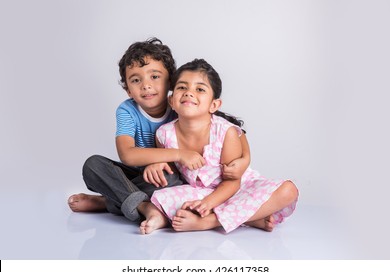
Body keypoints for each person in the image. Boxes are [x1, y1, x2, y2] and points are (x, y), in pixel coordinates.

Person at [67, 38, 251, 223]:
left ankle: (109, 200)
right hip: (138, 175)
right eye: (136, 80)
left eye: (154, 77)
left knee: (166, 178)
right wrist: (177, 155)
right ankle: (144, 206)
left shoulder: (183, 105)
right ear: (128, 90)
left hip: (169, 178)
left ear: (170, 82)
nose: (146, 85)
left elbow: (230, 128)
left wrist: (244, 160)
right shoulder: (127, 111)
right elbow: (127, 156)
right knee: (93, 166)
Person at [140, 59, 299, 234]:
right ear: (171, 100)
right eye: (182, 87)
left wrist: (208, 204)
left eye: (199, 89)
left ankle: (210, 221)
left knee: (288, 190)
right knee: (159, 198)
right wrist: (156, 163)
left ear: (214, 105)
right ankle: (249, 218)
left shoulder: (225, 132)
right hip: (199, 192)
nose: (189, 93)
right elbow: (172, 171)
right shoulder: (164, 134)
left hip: (238, 189)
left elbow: (232, 181)